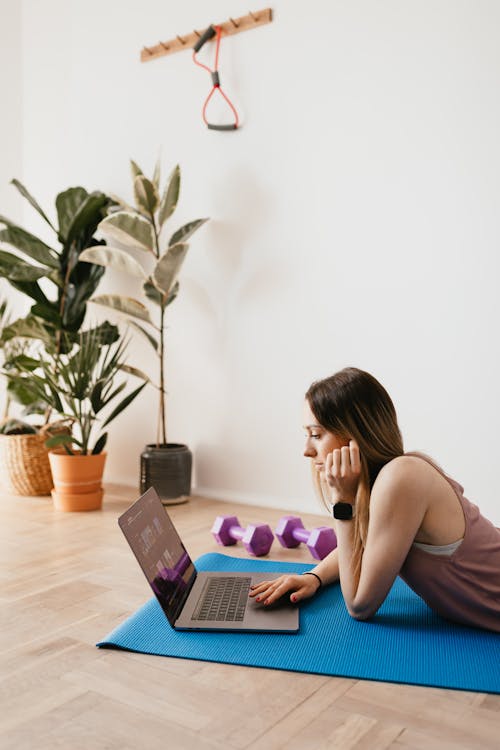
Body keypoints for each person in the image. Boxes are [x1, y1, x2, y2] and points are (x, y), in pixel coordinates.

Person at [249, 367, 500, 632]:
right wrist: (315, 577)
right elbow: (368, 545)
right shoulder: (391, 478)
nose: (307, 451)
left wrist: (342, 502)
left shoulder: (402, 476)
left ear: (355, 433)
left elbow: (359, 605)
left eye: (316, 434)